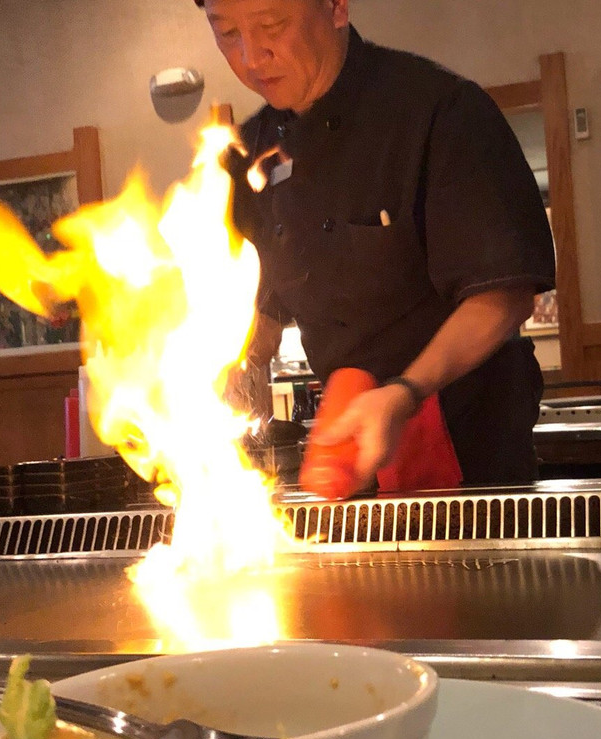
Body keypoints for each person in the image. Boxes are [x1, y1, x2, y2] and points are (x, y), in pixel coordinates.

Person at [198, 0, 556, 490]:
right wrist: (210, 379)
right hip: (348, 447)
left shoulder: (439, 110)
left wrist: (405, 392)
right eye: (226, 33)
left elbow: (503, 297)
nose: (250, 56)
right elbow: (260, 316)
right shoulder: (249, 154)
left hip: (470, 448)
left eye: (271, 25)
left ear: (336, 6)